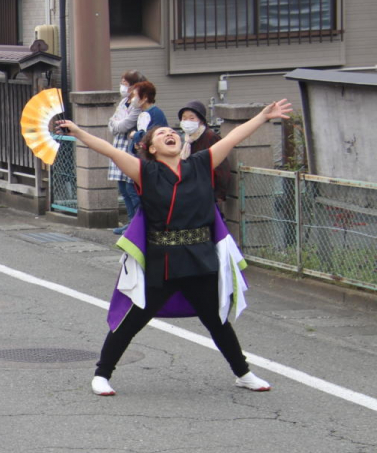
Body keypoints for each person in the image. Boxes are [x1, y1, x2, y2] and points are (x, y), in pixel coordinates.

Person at [54, 100, 294, 397]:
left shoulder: (201, 164)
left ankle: (243, 373)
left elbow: (233, 137)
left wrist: (262, 116)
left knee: (217, 321)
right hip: (163, 261)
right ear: (150, 148)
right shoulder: (145, 172)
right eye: (161, 133)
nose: (170, 134)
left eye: (173, 132)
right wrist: (78, 132)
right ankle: (102, 374)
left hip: (201, 258)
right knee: (133, 319)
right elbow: (109, 151)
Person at [109, 70, 147, 236]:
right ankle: (130, 222)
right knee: (123, 189)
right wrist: (116, 125)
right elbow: (112, 123)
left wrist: (116, 125)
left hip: (130, 149)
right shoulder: (124, 101)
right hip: (119, 146)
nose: (123, 87)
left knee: (132, 189)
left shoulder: (137, 106)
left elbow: (125, 125)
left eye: (125, 83)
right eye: (122, 82)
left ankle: (137, 223)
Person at [178, 100, 228, 204]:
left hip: (207, 192)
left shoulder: (210, 137)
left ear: (201, 120)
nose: (187, 121)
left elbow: (221, 167)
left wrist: (219, 194)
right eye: (184, 118)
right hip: (190, 191)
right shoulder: (186, 139)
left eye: (192, 118)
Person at [128, 81, 167, 158]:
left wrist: (135, 135)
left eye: (135, 96)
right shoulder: (142, 113)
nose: (133, 99)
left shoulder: (156, 113)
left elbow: (152, 135)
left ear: (145, 97)